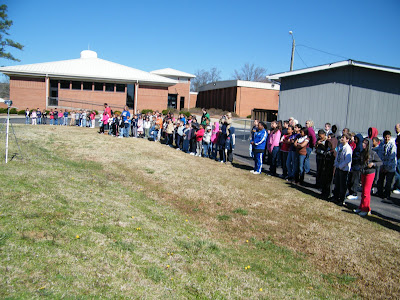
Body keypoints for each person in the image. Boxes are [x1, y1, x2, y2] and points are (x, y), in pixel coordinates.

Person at [354, 138, 382, 217]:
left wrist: (373, 164)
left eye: (365, 143)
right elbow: (360, 162)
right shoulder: (362, 152)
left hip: (370, 173)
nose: (363, 144)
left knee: (366, 191)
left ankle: (365, 209)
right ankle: (362, 206)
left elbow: (380, 162)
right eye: (363, 143)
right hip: (363, 172)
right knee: (363, 191)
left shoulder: (373, 153)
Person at [332, 133, 353, 205]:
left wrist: (341, 166)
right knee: (337, 183)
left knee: (342, 185)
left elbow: (347, 160)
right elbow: (338, 155)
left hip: (344, 169)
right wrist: (336, 163)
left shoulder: (348, 148)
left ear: (347, 139)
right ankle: (335, 197)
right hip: (338, 167)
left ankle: (341, 199)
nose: (341, 139)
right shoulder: (340, 146)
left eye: (343, 137)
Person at [377, 130, 397, 201]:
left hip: (390, 166)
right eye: (385, 137)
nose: (387, 139)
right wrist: (382, 166)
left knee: (388, 182)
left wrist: (387, 168)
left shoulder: (392, 145)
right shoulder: (382, 144)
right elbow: (380, 155)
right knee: (381, 180)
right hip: (383, 165)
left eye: (388, 137)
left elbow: (391, 157)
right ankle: (379, 192)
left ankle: (387, 194)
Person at [315, 129, 334, 197]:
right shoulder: (318, 140)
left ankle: (322, 187)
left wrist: (322, 144)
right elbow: (316, 147)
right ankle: (318, 184)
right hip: (319, 156)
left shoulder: (327, 141)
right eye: (319, 136)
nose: (320, 137)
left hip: (325, 158)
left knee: (323, 173)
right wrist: (317, 144)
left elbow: (328, 149)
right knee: (318, 171)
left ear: (324, 134)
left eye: (321, 136)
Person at [346, 133, 364, 200]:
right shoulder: (357, 146)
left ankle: (354, 193)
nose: (355, 141)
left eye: (356, 139)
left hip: (357, 166)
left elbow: (359, 157)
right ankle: (350, 191)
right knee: (350, 179)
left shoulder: (360, 147)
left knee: (354, 180)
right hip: (353, 165)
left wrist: (353, 158)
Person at [393, 123, 400, 194]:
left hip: (399, 157)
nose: (395, 129)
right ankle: (396, 185)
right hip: (397, 156)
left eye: (397, 128)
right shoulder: (397, 136)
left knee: (398, 172)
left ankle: (398, 187)